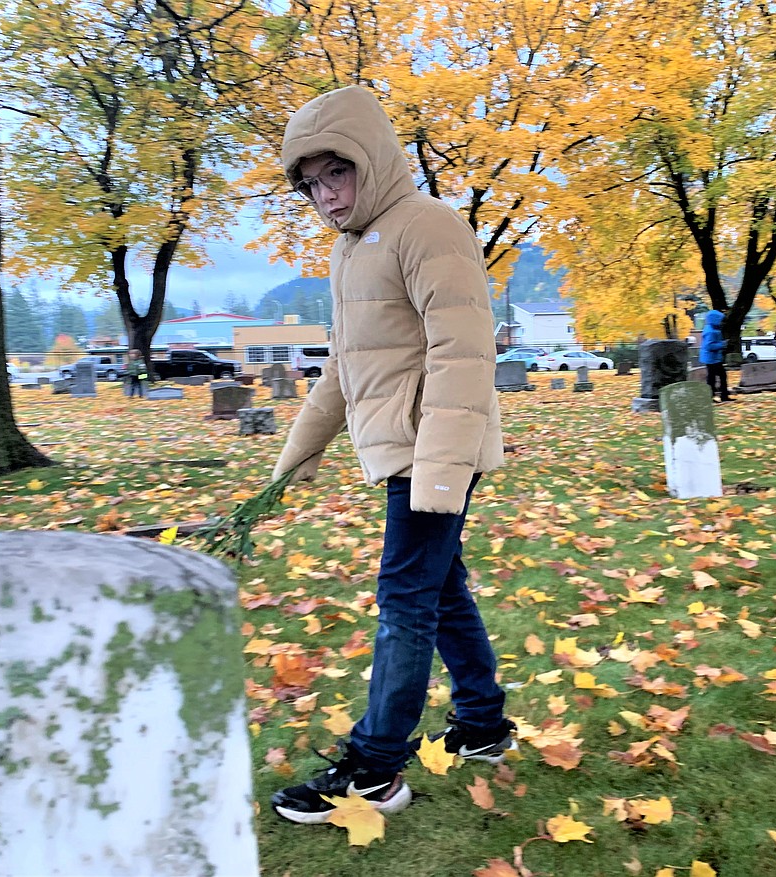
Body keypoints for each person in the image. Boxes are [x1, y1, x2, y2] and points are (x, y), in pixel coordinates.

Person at [267, 86, 515, 825]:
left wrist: (440, 467)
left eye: (335, 173)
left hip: (433, 452)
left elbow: (464, 350)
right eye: (309, 183)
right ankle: (482, 723)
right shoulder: (349, 253)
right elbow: (346, 365)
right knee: (439, 591)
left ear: (370, 159)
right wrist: (297, 452)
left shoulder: (428, 226)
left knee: (404, 598)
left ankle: (375, 768)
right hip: (408, 452)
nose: (325, 195)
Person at [699, 309, 733, 402]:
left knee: (715, 377)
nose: (721, 322)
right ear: (715, 319)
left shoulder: (712, 329)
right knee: (715, 378)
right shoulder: (711, 331)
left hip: (713, 358)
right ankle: (718, 396)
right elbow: (709, 346)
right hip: (712, 359)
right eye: (720, 320)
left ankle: (718, 396)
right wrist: (723, 344)